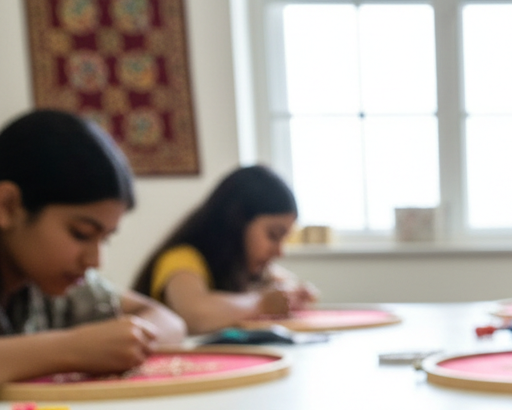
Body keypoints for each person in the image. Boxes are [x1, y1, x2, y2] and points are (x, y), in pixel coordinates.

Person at [0, 110, 185, 384]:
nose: (96, 260)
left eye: (105, 238)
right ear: (8, 206)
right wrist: (71, 349)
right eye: (81, 234)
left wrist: (130, 342)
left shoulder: (46, 281)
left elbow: (168, 321)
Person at [133, 166, 318, 334]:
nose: (279, 252)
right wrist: (262, 303)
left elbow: (285, 285)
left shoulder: (246, 266)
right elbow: (196, 315)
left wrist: (294, 294)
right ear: (237, 222)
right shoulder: (180, 258)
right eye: (273, 235)